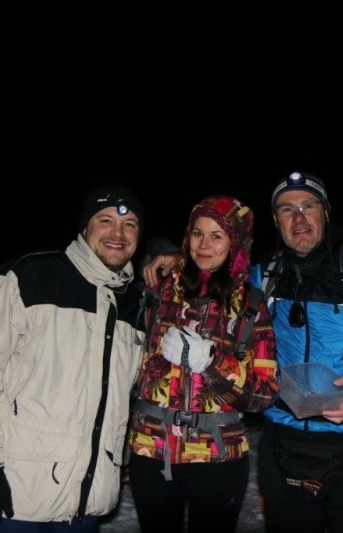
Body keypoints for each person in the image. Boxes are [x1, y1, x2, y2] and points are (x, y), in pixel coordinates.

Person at [144, 171, 343, 532]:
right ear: (276, 220)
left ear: (326, 212)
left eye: (308, 206)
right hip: (283, 442)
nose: (298, 218)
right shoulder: (263, 277)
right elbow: (216, 265)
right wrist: (175, 259)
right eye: (287, 210)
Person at [0, 184, 146, 532]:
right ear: (85, 227)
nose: (118, 233)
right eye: (106, 220)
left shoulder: (133, 303)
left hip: (86, 501)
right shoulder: (31, 276)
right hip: (15, 493)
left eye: (129, 224)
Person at [127, 195, 278, 532]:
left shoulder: (251, 307)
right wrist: (158, 260)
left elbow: (264, 394)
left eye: (216, 236)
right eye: (198, 233)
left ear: (235, 243)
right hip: (151, 450)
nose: (204, 245)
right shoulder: (160, 288)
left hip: (217, 457)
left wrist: (211, 361)